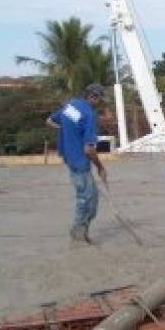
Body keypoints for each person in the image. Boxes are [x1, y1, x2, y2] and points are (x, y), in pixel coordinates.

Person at [46, 83, 107, 243]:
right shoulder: (89, 114)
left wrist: (66, 130)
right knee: (85, 197)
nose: (100, 102)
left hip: (69, 156)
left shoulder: (71, 107)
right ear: (94, 97)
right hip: (79, 160)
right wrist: (100, 167)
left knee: (92, 197)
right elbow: (88, 149)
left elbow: (49, 121)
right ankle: (78, 232)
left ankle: (82, 229)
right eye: (99, 98)